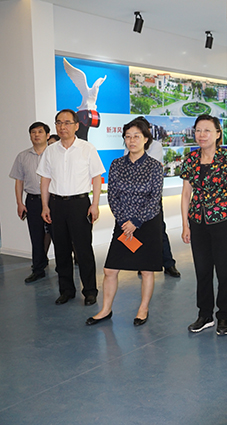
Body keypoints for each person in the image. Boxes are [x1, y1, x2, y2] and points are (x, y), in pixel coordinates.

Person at [86, 118, 163, 326]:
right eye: (128, 137)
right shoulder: (117, 164)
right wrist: (124, 221)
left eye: (136, 136)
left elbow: (154, 199)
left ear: (146, 139)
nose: (132, 140)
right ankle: (105, 309)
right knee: (110, 269)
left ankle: (143, 308)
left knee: (146, 270)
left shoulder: (154, 167)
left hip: (146, 224)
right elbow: (113, 195)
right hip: (123, 225)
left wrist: (135, 221)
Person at [181, 115, 227, 336]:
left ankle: (223, 316)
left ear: (218, 133)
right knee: (202, 270)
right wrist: (185, 224)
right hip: (198, 222)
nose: (202, 135)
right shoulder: (190, 159)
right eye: (198, 130)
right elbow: (186, 194)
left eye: (207, 130)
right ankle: (205, 315)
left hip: (224, 222)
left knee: (225, 272)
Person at [37, 109, 105, 306]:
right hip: (56, 204)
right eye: (59, 123)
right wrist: (45, 206)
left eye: (67, 123)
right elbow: (45, 180)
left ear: (76, 126)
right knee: (61, 250)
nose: (62, 127)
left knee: (83, 250)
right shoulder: (50, 151)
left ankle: (90, 291)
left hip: (79, 204)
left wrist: (95, 205)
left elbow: (96, 178)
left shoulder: (87, 148)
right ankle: (66, 291)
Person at [125, 116, 181, 278]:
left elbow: (148, 168)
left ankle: (168, 263)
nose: (133, 139)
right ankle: (143, 263)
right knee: (138, 231)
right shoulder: (129, 147)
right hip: (133, 200)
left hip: (152, 198)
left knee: (158, 230)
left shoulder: (155, 145)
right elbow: (126, 168)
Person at [9, 122, 52, 283]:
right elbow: (19, 181)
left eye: (40, 132)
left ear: (47, 135)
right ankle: (38, 269)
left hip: (53, 201)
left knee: (59, 236)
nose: (36, 135)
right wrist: (20, 203)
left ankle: (64, 269)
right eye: (33, 132)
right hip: (33, 200)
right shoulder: (22, 156)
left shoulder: (54, 154)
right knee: (36, 236)